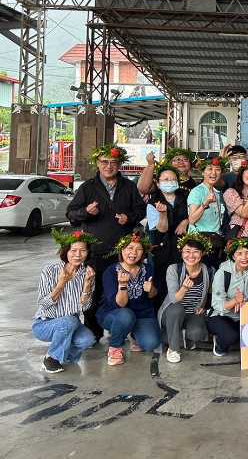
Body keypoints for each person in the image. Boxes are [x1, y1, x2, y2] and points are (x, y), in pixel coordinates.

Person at [66, 143, 146, 338]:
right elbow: (70, 214)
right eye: (104, 162)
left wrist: (129, 218)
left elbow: (140, 211)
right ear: (97, 164)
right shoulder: (88, 187)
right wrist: (85, 212)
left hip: (123, 256)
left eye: (113, 162)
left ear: (119, 165)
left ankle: (123, 329)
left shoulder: (128, 186)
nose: (108, 166)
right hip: (95, 252)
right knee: (93, 293)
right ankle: (94, 333)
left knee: (125, 290)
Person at [32, 229, 98, 373]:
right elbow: (43, 303)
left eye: (83, 250)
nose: (78, 255)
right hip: (45, 323)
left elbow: (85, 306)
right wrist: (61, 283)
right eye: (73, 250)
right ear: (66, 251)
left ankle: (65, 357)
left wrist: (87, 285)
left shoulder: (88, 273)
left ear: (88, 253)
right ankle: (51, 358)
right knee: (69, 321)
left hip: (71, 323)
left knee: (88, 339)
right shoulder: (50, 270)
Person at [97, 230, 160, 366]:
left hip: (142, 314)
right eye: (129, 248)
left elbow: (153, 294)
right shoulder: (111, 271)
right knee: (126, 315)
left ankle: (132, 334)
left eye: (138, 249)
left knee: (151, 343)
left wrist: (151, 289)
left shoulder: (148, 268)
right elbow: (120, 304)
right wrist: (123, 286)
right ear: (122, 249)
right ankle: (115, 348)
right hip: (115, 314)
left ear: (143, 253)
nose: (133, 253)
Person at [158, 232, 214, 363]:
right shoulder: (173, 269)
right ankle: (173, 348)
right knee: (177, 309)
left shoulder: (210, 271)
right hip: (172, 312)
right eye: (187, 251)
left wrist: (205, 308)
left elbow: (213, 294)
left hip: (193, 313)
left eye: (196, 251)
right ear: (181, 253)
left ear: (202, 253)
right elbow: (174, 299)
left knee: (197, 333)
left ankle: (174, 335)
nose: (191, 255)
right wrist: (184, 288)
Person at [207, 237, 248, 356]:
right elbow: (217, 304)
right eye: (239, 253)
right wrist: (234, 301)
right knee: (231, 336)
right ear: (233, 256)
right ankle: (220, 344)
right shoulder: (223, 272)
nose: (244, 257)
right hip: (223, 315)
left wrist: (243, 302)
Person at [147, 161, 190, 310]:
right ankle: (160, 319)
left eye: (172, 179)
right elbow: (161, 229)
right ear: (158, 184)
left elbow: (195, 213)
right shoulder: (153, 202)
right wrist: (163, 215)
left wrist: (186, 221)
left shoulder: (185, 195)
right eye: (165, 179)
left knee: (182, 281)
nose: (169, 182)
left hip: (182, 248)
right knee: (162, 284)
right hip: (161, 248)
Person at [187, 156, 228, 269]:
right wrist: (205, 204)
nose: (213, 173)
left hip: (216, 241)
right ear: (203, 172)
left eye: (217, 169)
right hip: (200, 242)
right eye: (210, 169)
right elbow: (192, 219)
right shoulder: (197, 191)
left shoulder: (217, 192)